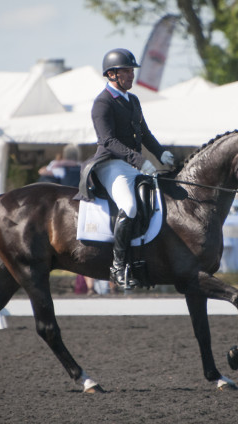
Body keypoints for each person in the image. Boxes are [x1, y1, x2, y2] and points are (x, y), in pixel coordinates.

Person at [75, 48, 175, 289]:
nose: (131, 75)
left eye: (132, 71)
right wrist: (141, 162)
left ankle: (140, 261)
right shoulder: (103, 102)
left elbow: (145, 134)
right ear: (111, 74)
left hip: (130, 165)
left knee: (154, 203)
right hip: (110, 164)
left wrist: (161, 152)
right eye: (127, 71)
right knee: (129, 206)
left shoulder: (133, 100)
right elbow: (108, 141)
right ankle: (118, 266)